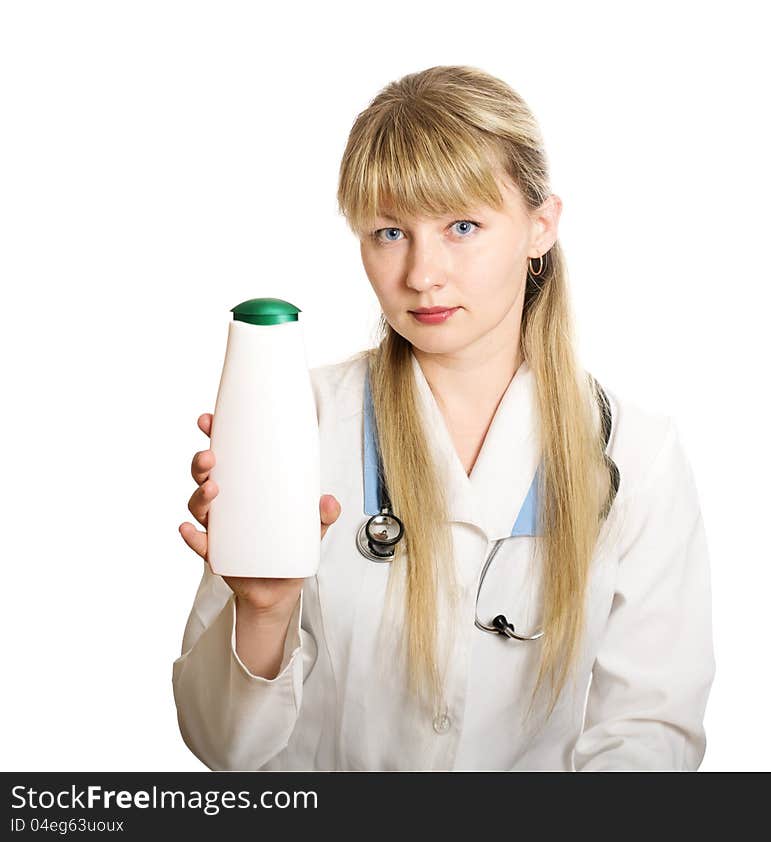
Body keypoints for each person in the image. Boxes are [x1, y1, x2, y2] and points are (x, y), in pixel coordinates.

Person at [173, 64, 715, 772]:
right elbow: (224, 750)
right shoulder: (294, 422)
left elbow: (649, 732)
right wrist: (264, 610)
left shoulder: (635, 453)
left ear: (539, 227)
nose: (422, 273)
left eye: (462, 226)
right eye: (389, 232)